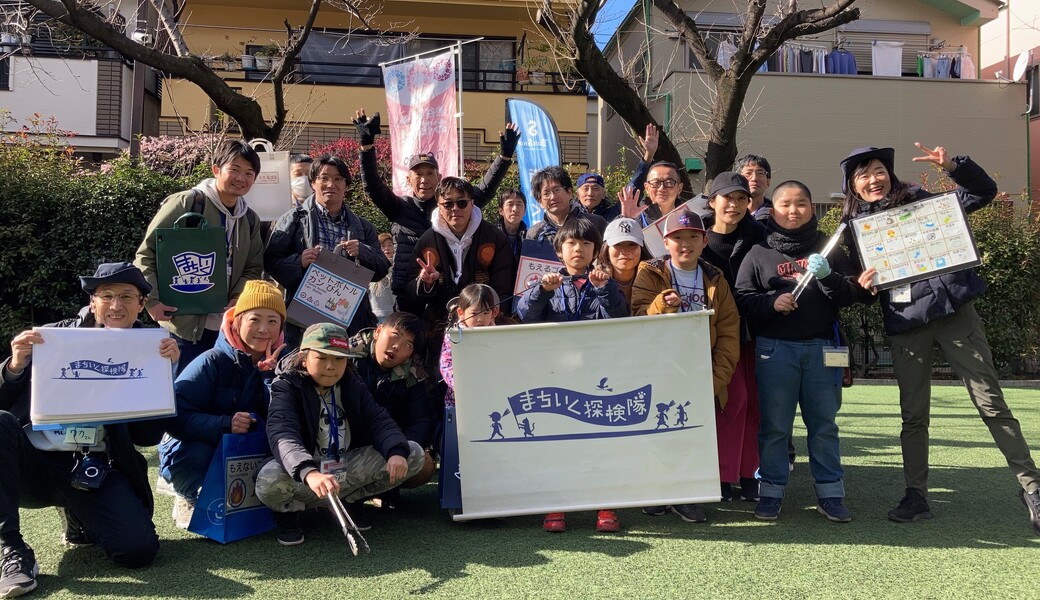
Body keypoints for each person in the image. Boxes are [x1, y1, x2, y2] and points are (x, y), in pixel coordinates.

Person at [840, 143, 1040, 534]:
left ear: (890, 174)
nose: (873, 179)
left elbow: (981, 194)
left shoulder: (921, 201)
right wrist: (861, 287)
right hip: (905, 323)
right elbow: (857, 284)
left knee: (991, 403)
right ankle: (916, 495)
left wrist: (953, 165)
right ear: (853, 186)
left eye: (878, 170)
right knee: (913, 416)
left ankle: (1032, 486)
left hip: (955, 314)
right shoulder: (852, 228)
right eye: (863, 175)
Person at [0, 262, 178, 597]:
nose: (116, 305)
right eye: (107, 296)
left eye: (127, 296)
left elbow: (148, 438)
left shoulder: (150, 349)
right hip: (33, 464)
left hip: (93, 467)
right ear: (92, 301)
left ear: (141, 304)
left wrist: (164, 377)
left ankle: (78, 515)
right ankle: (13, 550)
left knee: (137, 552)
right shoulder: (52, 336)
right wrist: (14, 366)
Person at [735, 181, 871, 523]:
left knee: (824, 425)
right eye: (785, 204)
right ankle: (771, 490)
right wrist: (771, 302)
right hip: (773, 350)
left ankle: (830, 493)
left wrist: (828, 277)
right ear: (771, 208)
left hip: (822, 347)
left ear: (812, 208)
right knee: (775, 427)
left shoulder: (829, 247)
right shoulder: (758, 251)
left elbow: (852, 293)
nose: (792, 210)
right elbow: (742, 299)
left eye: (801, 204)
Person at [255, 323, 426, 546]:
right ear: (305, 358)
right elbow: (282, 434)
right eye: (322, 357)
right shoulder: (286, 386)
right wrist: (309, 472)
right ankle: (289, 514)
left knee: (411, 453)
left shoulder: (352, 384)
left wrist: (395, 451)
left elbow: (378, 420)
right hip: (306, 477)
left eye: (339, 359)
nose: (331, 366)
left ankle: (351, 499)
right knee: (268, 480)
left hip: (343, 469)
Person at [631, 209, 740, 524]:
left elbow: (729, 335)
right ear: (665, 242)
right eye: (677, 237)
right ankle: (656, 492)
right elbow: (637, 320)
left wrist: (715, 380)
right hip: (658, 370)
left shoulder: (716, 279)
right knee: (656, 432)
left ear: (704, 241)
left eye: (693, 236)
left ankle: (687, 496)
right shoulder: (649, 273)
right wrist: (660, 306)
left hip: (699, 372)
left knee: (693, 435)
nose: (685, 243)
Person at [352, 109, 519, 314]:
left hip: (444, 299)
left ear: (439, 177)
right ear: (408, 180)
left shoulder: (451, 204)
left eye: (430, 173)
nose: (424, 179)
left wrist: (504, 157)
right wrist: (367, 145)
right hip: (407, 295)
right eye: (418, 174)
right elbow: (373, 187)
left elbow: (484, 189)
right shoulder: (399, 207)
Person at [157, 280, 286, 528]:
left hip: (242, 450)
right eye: (254, 319)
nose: (263, 329)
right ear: (237, 321)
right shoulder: (211, 361)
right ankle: (184, 491)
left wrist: (269, 377)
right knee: (198, 452)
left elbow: (281, 418)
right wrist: (225, 424)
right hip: (195, 445)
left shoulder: (282, 363)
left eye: (272, 321)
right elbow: (175, 415)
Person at [135, 139, 265, 375]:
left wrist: (238, 297)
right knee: (176, 391)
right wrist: (151, 301)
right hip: (182, 325)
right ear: (216, 169)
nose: (241, 178)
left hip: (224, 328)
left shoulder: (250, 219)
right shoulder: (188, 202)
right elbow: (146, 253)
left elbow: (253, 268)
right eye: (234, 169)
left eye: (249, 173)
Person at [265, 154, 389, 344]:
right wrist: (299, 262)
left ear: (346, 185)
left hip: (350, 317)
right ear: (313, 183)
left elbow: (381, 268)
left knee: (348, 367)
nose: (331, 184)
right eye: (324, 178)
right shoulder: (293, 220)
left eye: (338, 179)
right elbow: (271, 262)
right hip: (305, 318)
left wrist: (363, 251)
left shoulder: (363, 227)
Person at [700, 172, 768, 500]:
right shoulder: (695, 238)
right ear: (712, 201)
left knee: (755, 403)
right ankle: (723, 475)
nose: (735, 205)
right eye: (728, 198)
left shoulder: (760, 237)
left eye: (742, 199)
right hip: (715, 337)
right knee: (730, 402)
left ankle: (750, 474)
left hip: (755, 332)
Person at [404, 177, 516, 333]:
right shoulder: (427, 241)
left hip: (485, 326)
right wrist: (425, 284)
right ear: (439, 206)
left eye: (461, 203)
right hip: (439, 329)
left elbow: (504, 287)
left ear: (472, 203)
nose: (455, 209)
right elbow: (409, 290)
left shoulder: (494, 238)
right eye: (448, 204)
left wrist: (493, 320)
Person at [347, 311, 435, 498]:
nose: (396, 347)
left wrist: (398, 449)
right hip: (340, 444)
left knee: (425, 465)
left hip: (386, 444)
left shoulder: (413, 374)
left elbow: (421, 420)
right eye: (395, 335)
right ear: (378, 331)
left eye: (407, 345)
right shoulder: (344, 358)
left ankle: (379, 490)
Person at [518, 216, 628, 325]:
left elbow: (620, 318)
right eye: (571, 243)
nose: (578, 249)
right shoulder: (549, 285)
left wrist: (605, 290)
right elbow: (526, 316)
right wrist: (542, 291)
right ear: (559, 250)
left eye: (586, 243)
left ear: (595, 252)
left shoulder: (606, 284)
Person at [526, 167, 608, 242]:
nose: (553, 197)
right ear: (540, 201)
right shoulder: (535, 233)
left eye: (557, 190)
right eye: (546, 193)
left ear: (569, 192)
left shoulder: (595, 223)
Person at [596, 217, 651, 305]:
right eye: (618, 244)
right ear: (606, 249)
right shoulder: (594, 282)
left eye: (632, 244)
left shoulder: (655, 279)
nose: (625, 251)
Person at [369, 233, 398, 324]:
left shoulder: (398, 265)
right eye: (383, 246)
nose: (387, 248)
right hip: (373, 312)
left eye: (390, 245)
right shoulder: (372, 265)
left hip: (393, 313)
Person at [735, 154, 773, 222]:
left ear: (768, 182)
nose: (754, 178)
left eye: (760, 173)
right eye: (748, 173)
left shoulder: (777, 216)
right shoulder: (730, 213)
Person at [497, 188, 528, 264]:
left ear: (524, 211)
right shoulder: (491, 236)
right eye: (510, 204)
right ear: (501, 210)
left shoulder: (530, 237)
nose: (515, 209)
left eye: (519, 204)